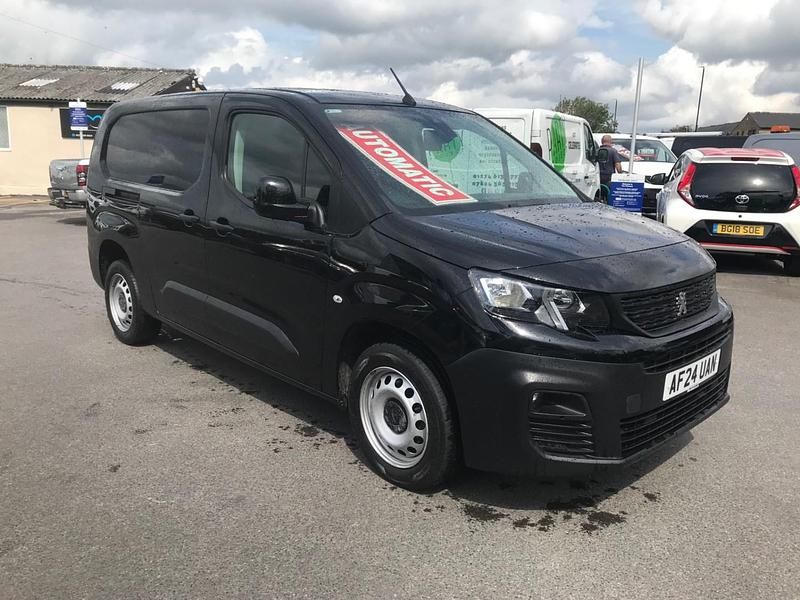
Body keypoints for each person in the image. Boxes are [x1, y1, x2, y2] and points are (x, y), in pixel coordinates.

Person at [598, 134, 623, 202]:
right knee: (609, 194)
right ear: (610, 141)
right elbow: (618, 165)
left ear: (602, 141)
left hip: (598, 176)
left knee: (600, 193)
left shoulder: (597, 150)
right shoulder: (613, 151)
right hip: (609, 177)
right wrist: (621, 173)